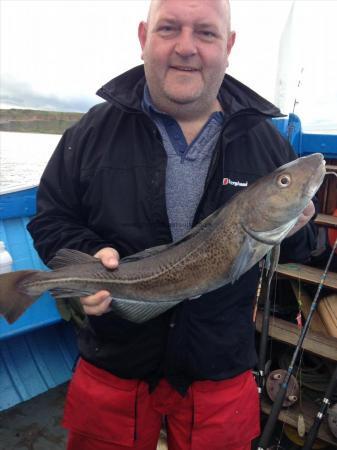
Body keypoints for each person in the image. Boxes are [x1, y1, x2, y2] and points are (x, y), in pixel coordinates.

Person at [27, 1, 317, 449]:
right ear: (143, 37)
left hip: (218, 374)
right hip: (114, 363)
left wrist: (298, 228)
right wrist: (88, 260)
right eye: (169, 29)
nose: (186, 47)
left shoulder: (266, 143)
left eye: (205, 32)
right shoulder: (91, 133)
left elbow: (301, 250)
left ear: (229, 45)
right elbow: (52, 219)